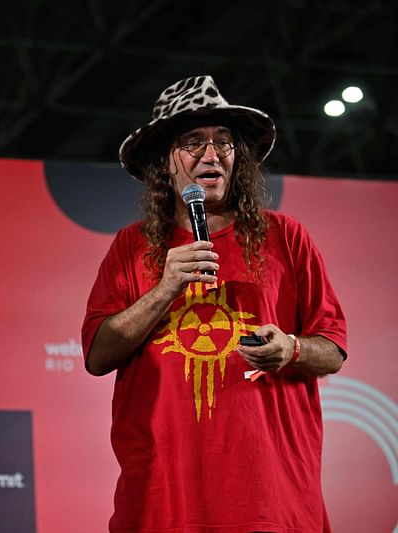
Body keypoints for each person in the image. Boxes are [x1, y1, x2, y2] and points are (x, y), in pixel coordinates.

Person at [82, 75, 347, 532]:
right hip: (163, 498)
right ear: (164, 163)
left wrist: (292, 348)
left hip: (268, 498)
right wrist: (166, 287)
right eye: (193, 142)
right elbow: (97, 354)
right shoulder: (131, 247)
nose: (212, 155)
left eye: (223, 143)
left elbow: (334, 347)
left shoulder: (285, 237)